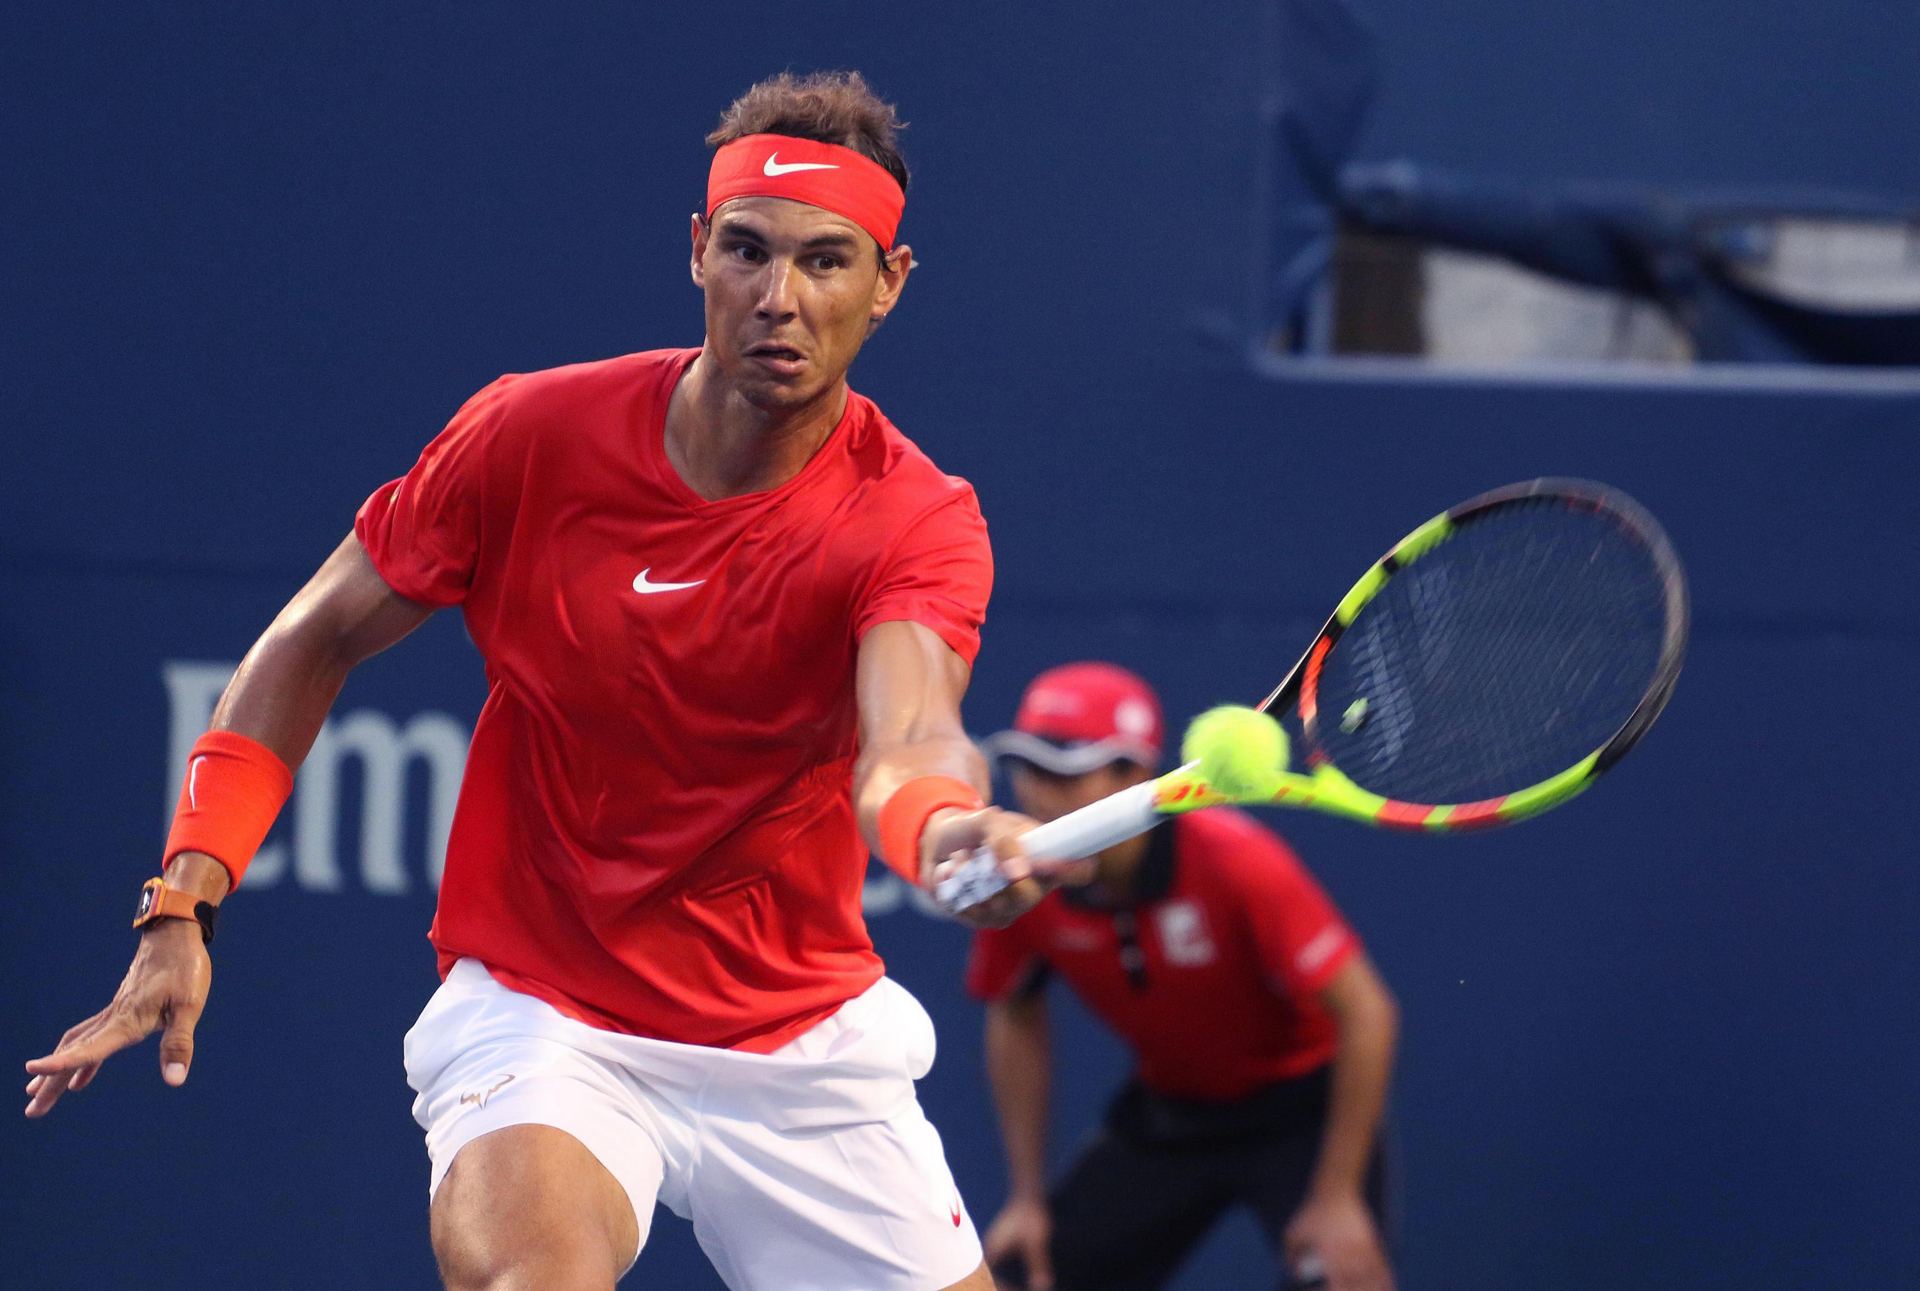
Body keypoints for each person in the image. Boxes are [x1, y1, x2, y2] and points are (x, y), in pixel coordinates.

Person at [24, 70, 1054, 1291]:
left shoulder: (914, 518)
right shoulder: (528, 436)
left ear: (888, 284)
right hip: (545, 1008)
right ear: (696, 252)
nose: (780, 299)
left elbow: (908, 736)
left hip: (798, 1041)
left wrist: (941, 828)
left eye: (828, 263)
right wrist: (182, 900)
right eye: (747, 251)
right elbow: (311, 639)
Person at [969, 663, 1399, 1291]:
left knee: (1348, 1280)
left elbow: (1368, 1013)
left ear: (1135, 775)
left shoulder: (1236, 864)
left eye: (1065, 771)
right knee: (1020, 1275)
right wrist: (1027, 1197)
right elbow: (1014, 1012)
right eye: (1028, 768)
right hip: (1170, 1116)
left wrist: (1337, 1197)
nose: (1039, 794)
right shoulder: (1029, 882)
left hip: (1301, 1117)